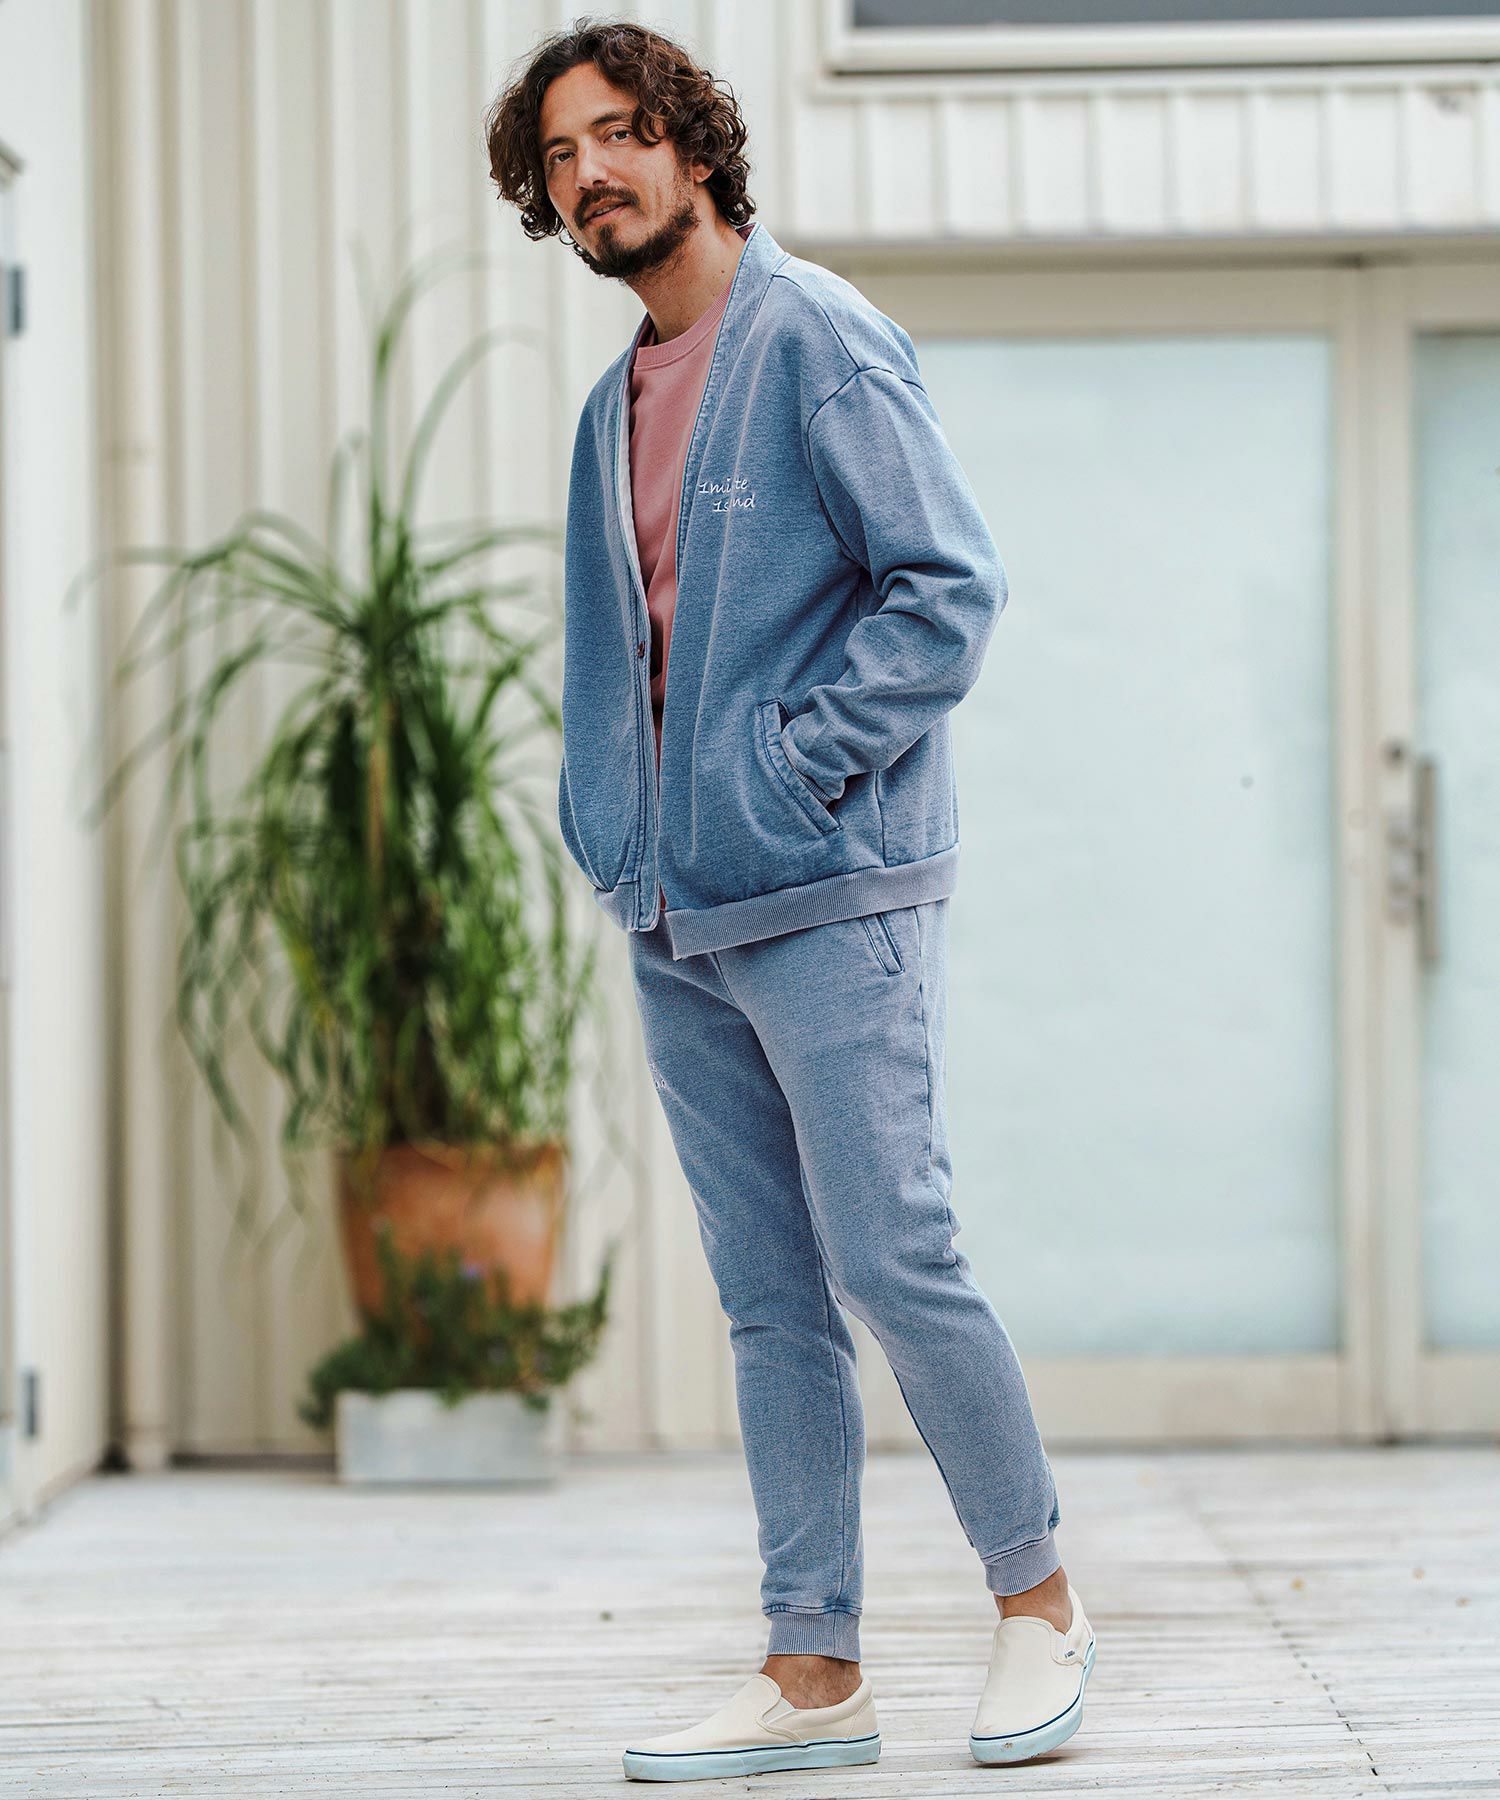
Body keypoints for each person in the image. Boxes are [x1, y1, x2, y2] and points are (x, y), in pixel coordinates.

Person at [485, 16, 1096, 1780]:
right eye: (559, 157)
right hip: (680, 918)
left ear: (692, 142)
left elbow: (949, 586)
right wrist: (618, 824)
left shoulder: (814, 337)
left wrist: (792, 766)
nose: (589, 175)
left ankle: (1041, 1605)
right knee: (768, 1299)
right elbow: (628, 652)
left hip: (830, 895)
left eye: (617, 133)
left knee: (895, 1257)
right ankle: (815, 1671)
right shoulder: (611, 407)